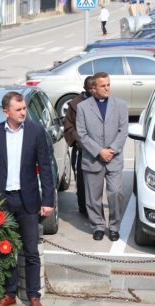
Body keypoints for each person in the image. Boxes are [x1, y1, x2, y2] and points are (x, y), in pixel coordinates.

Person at [0, 92, 54, 306]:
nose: (23, 112)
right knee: (5, 250)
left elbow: (46, 167)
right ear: (6, 113)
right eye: (18, 109)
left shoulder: (35, 131)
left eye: (24, 109)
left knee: (31, 251)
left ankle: (34, 296)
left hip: (27, 199)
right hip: (2, 200)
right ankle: (9, 294)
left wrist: (47, 200)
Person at [76, 72, 129, 242]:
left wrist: (111, 150)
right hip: (93, 158)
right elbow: (82, 134)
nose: (107, 88)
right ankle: (98, 226)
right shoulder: (83, 107)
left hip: (114, 158)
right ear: (93, 88)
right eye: (102, 85)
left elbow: (123, 131)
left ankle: (114, 227)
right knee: (93, 197)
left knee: (115, 193)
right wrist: (99, 151)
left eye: (108, 84)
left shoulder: (120, 105)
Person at [63, 76, 95, 214]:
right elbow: (69, 126)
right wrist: (78, 140)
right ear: (84, 88)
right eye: (90, 89)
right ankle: (83, 206)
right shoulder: (75, 105)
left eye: (95, 88)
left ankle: (94, 206)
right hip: (81, 149)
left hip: (99, 148)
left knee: (95, 182)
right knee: (82, 180)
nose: (93, 91)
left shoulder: (102, 102)